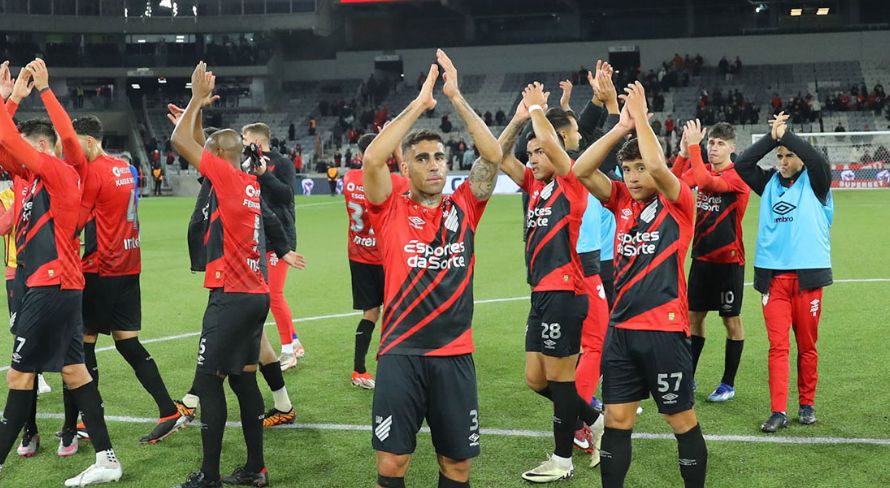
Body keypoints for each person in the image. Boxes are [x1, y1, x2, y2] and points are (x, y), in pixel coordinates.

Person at [362, 49, 501, 488]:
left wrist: (456, 98)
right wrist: (419, 104)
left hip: (455, 355)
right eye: (421, 158)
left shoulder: (465, 206)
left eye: (439, 157)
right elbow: (370, 159)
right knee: (392, 463)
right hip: (401, 353)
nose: (434, 164)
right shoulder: (389, 210)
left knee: (456, 465)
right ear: (405, 166)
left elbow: (493, 155)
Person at [170, 62, 303, 488]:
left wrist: (193, 99)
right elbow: (198, 143)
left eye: (208, 148)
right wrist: (198, 118)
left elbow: (180, 142)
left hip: (231, 296)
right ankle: (255, 469)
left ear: (218, 156)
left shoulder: (226, 177)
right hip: (255, 293)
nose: (203, 153)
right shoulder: (244, 179)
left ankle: (209, 475)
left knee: (209, 382)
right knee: (245, 381)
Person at [572, 81, 707, 487]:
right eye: (627, 169)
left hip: (665, 332)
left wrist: (642, 120)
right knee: (616, 420)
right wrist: (619, 129)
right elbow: (580, 170)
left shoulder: (679, 203)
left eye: (639, 169)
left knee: (679, 419)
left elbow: (661, 169)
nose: (632, 177)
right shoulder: (621, 202)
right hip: (621, 333)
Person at [0, 59, 122, 486]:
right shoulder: (31, 180)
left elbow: (50, 137)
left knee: (19, 375)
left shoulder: (58, 172)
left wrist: (18, 97)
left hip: (49, 286)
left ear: (42, 148)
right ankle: (108, 459)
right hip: (59, 286)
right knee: (74, 372)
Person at [497, 84, 603, 482]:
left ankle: (562, 461)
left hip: (566, 291)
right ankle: (595, 420)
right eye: (531, 155)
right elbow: (496, 155)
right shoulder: (535, 187)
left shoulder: (572, 180)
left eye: (539, 152)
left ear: (555, 149)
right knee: (535, 379)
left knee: (560, 380)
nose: (533, 159)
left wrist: (539, 107)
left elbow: (553, 148)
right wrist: (520, 118)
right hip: (540, 294)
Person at [67, 115, 188, 447]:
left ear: (89, 141)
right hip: (129, 264)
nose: (71, 150)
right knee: (126, 341)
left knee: (84, 340)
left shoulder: (94, 172)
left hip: (101, 267)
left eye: (75, 143)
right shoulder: (125, 167)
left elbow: (76, 223)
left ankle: (89, 419)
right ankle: (168, 410)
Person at [734, 112, 833, 433]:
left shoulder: (817, 182)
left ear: (800, 158)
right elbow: (743, 165)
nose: (783, 160)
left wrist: (787, 136)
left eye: (789, 156)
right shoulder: (769, 184)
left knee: (806, 345)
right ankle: (778, 410)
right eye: (779, 156)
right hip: (773, 280)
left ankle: (807, 404)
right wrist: (772, 138)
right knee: (778, 346)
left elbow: (816, 160)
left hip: (808, 279)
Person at [671, 121, 751, 403]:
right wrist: (683, 153)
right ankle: (689, 378)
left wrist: (694, 147)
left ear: (732, 147)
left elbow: (705, 183)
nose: (713, 148)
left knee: (731, 320)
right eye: (710, 143)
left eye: (719, 144)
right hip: (701, 258)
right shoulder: (700, 168)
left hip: (729, 262)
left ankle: (728, 383)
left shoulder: (738, 176)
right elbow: (675, 184)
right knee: (694, 319)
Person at [342, 133, 410, 389]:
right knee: (394, 311)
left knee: (370, 312)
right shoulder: (393, 182)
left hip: (358, 255)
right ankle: (390, 366)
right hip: (385, 257)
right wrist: (398, 150)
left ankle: (359, 370)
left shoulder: (349, 178)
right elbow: (410, 183)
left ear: (360, 154)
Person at [241, 123, 304, 368]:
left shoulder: (283, 163)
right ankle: (295, 340)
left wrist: (265, 173)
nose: (242, 142)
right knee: (266, 294)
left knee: (274, 296)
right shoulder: (245, 163)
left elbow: (286, 195)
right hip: (257, 237)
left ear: (256, 141)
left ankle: (288, 351)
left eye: (245, 139)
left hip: (281, 238)